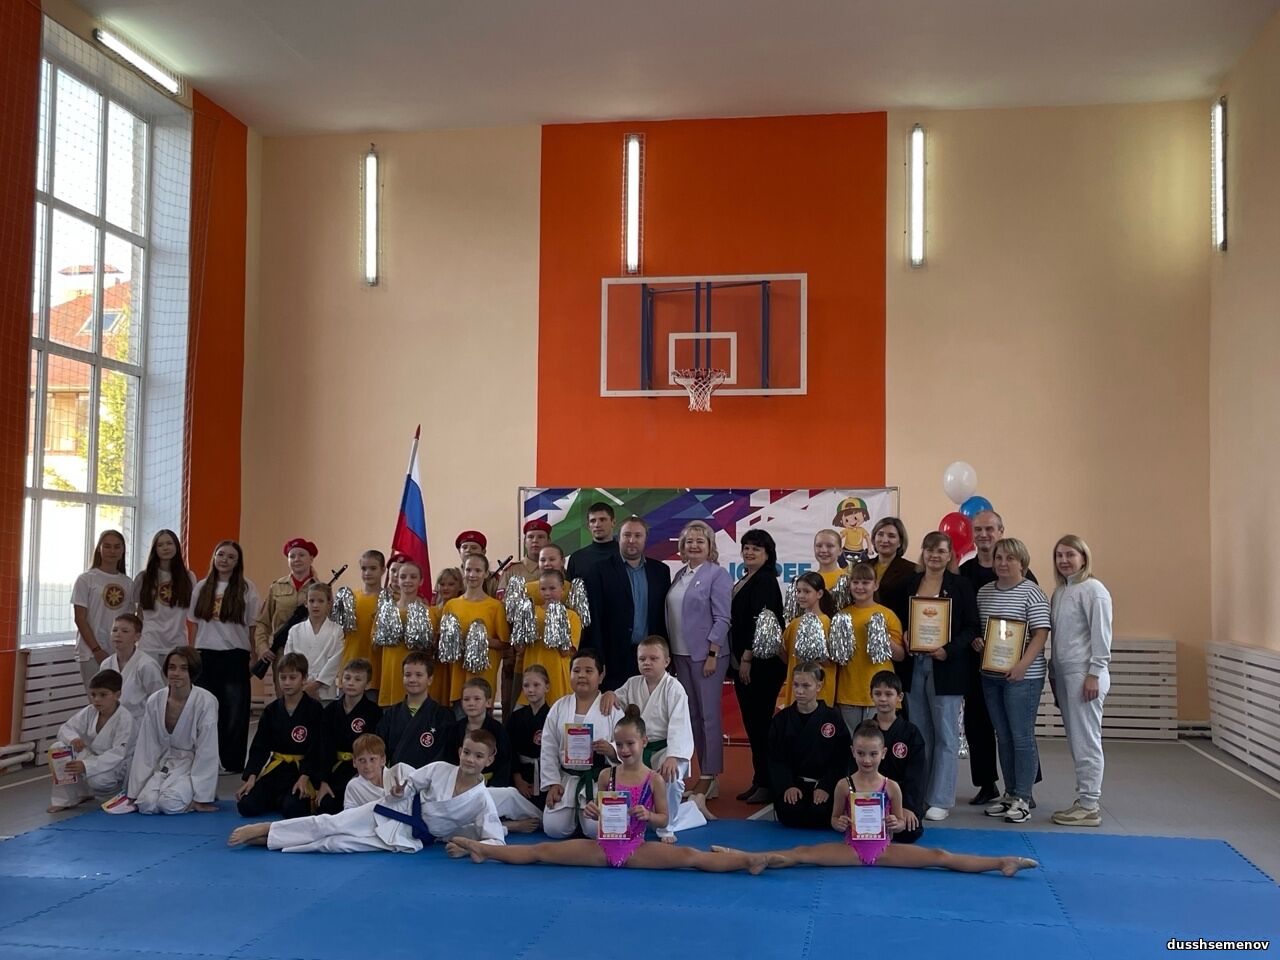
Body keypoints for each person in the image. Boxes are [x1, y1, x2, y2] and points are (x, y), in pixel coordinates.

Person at [448, 707, 768, 875]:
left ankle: (748, 860)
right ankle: (484, 850)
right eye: (620, 744)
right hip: (602, 848)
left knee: (691, 858)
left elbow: (664, 819)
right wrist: (594, 811)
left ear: (643, 742)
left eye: (630, 744)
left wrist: (648, 815)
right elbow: (602, 815)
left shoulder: (654, 779)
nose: (625, 750)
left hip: (636, 849)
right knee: (540, 851)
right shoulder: (606, 775)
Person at [731, 722, 1038, 876]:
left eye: (873, 754)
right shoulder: (843, 785)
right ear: (852, 752)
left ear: (883, 754)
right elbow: (834, 821)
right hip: (851, 850)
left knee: (939, 856)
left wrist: (895, 823)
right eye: (861, 753)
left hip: (885, 850)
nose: (866, 759)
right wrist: (839, 823)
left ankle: (1003, 862)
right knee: (801, 853)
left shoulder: (891, 787)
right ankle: (748, 858)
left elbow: (900, 823)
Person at [227, 729, 508, 853]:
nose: (470, 759)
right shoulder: (440, 769)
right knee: (332, 823)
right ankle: (268, 828)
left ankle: (271, 842)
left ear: (489, 760)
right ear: (459, 751)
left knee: (337, 845)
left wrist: (469, 848)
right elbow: (411, 784)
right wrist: (399, 791)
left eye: (478, 756)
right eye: (467, 752)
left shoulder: (482, 801)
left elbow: (495, 840)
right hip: (393, 808)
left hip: (410, 836)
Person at [883, 531, 978, 822]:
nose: (935, 556)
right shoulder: (910, 583)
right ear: (923, 553)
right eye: (930, 550)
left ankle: (941, 799)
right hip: (915, 665)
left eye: (941, 551)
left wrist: (948, 650)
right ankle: (919, 794)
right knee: (920, 733)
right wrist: (906, 634)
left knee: (946, 735)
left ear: (950, 556)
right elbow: (899, 621)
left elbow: (972, 628)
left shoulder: (960, 586)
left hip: (946, 667)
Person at [958, 509, 1039, 805]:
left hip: (1014, 666)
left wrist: (1022, 659)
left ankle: (1025, 788)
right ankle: (987, 784)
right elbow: (962, 615)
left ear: (1001, 531)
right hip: (977, 661)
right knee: (977, 723)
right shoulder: (965, 571)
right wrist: (972, 637)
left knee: (1018, 729)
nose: (983, 534)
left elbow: (1034, 623)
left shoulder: (1022, 572)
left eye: (989, 529)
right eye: (978, 529)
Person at [976, 538, 1052, 824]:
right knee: (1003, 736)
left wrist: (1022, 666)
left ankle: (1023, 797)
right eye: (999, 558)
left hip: (1024, 677)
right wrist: (979, 643)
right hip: (991, 675)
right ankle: (1010, 793)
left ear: (1022, 562)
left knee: (1022, 736)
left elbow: (1041, 633)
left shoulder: (1032, 592)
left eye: (1010, 558)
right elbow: (986, 633)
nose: (1003, 563)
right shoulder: (984, 592)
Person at [604, 636, 709, 840]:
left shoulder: (674, 688)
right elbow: (617, 700)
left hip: (665, 749)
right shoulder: (633, 683)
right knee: (618, 774)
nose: (647, 663)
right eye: (642, 659)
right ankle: (689, 807)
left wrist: (673, 755)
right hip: (638, 749)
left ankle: (667, 825)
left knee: (670, 775)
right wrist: (610, 694)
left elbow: (680, 725)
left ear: (666, 661)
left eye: (653, 658)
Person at [1048, 535, 1113, 828]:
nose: (1064, 560)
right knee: (1078, 740)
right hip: (1066, 674)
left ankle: (1089, 805)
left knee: (1087, 740)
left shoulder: (1094, 590)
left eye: (1070, 555)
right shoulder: (1061, 591)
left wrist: (1094, 673)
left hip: (1085, 674)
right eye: (1059, 555)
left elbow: (1102, 635)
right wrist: (1053, 673)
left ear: (1083, 557)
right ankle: (1085, 798)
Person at [665, 520, 732, 799]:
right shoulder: (681, 574)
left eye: (699, 541)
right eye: (689, 541)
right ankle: (702, 771)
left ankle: (710, 776)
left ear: (710, 546)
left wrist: (713, 654)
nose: (694, 545)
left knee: (708, 717)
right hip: (680, 655)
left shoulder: (718, 575)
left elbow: (723, 618)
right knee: (691, 716)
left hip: (707, 657)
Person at [189, 540, 260, 773]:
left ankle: (231, 762)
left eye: (231, 557)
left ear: (238, 562)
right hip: (206, 655)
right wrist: (192, 652)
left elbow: (252, 626)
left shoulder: (247, 588)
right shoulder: (202, 587)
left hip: (235, 655)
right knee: (205, 709)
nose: (224, 560)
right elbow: (194, 624)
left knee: (234, 711)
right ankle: (205, 759)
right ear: (214, 557)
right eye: (220, 554)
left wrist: (253, 655)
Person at [539, 649, 625, 838]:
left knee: (597, 830)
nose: (582, 676)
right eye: (576, 671)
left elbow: (627, 743)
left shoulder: (612, 708)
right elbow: (548, 747)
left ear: (601, 675)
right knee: (554, 829)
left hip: (598, 780)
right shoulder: (559, 707)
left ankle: (582, 820)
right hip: (567, 779)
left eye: (589, 671)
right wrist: (552, 783)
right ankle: (575, 817)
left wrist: (611, 750)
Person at [730, 528, 786, 804]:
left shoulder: (764, 580)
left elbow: (761, 623)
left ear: (767, 554)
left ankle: (768, 782)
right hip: (745, 662)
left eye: (756, 548)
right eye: (746, 547)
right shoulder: (746, 578)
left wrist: (747, 658)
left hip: (760, 666)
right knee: (753, 724)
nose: (749, 552)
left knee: (760, 725)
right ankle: (760, 779)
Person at [581, 515, 670, 690]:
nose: (631, 540)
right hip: (613, 659)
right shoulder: (599, 570)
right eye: (627, 535)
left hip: (650, 659)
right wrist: (598, 659)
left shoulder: (660, 572)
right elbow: (595, 618)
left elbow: (663, 617)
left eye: (638, 535)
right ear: (618, 537)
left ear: (645, 539)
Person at [127, 647, 219, 815]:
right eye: (172, 667)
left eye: (183, 668)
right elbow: (146, 747)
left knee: (170, 804)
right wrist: (134, 791)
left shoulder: (206, 701)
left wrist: (202, 796)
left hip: (191, 765)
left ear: (193, 672)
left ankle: (192, 793)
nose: (176, 673)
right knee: (145, 804)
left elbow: (207, 750)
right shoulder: (155, 700)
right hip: (165, 763)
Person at [235, 653, 325, 819]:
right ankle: (278, 799)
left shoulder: (314, 709)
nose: (287, 682)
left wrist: (305, 777)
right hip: (277, 770)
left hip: (300, 772)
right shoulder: (271, 710)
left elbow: (317, 748)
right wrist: (251, 777)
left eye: (293, 677)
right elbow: (260, 746)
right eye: (283, 677)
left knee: (293, 810)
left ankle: (283, 800)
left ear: (304, 678)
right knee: (245, 805)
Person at [768, 663, 852, 829]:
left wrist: (826, 786)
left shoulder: (832, 718)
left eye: (806, 686)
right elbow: (775, 758)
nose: (799, 691)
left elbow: (841, 758)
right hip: (794, 783)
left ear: (819, 686)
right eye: (796, 685)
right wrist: (787, 785)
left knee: (820, 813)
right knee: (790, 813)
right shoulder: (781, 720)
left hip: (823, 784)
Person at [47, 669, 134, 813]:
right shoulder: (89, 711)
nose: (97, 699)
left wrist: (86, 765)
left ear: (117, 695)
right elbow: (65, 729)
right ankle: (67, 798)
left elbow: (118, 753)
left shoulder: (125, 719)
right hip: (92, 756)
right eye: (93, 694)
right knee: (58, 749)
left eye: (103, 695)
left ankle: (115, 796)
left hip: (115, 766)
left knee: (98, 780)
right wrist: (73, 739)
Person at [834, 562, 903, 733]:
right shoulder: (841, 615)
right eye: (856, 582)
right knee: (853, 741)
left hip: (881, 693)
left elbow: (900, 656)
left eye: (865, 582)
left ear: (875, 585)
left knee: (878, 741)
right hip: (849, 692)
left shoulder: (887, 615)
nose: (860, 587)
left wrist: (881, 635)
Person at [315, 658, 383, 814]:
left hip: (362, 771)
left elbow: (374, 749)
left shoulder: (374, 712)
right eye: (347, 678)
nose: (351, 683)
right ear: (340, 681)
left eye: (358, 679)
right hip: (335, 771)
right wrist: (323, 781)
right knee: (325, 807)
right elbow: (324, 748)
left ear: (367, 684)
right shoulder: (330, 710)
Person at [497, 519, 552, 709]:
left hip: (547, 644)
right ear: (525, 541)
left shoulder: (558, 570)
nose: (535, 541)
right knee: (511, 699)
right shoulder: (513, 571)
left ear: (548, 540)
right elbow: (502, 609)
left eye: (541, 537)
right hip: (517, 647)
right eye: (531, 537)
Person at [443, 554, 509, 706]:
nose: (472, 575)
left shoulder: (495, 607)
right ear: (463, 571)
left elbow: (504, 643)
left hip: (483, 680)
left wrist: (479, 640)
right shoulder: (451, 605)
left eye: (478, 571)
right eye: (468, 570)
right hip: (458, 680)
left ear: (485, 574)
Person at [71, 529, 133, 691]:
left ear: (123, 550)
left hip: (119, 653)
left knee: (119, 698)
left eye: (117, 546)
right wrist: (96, 650)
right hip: (91, 653)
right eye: (107, 546)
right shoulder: (86, 579)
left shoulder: (128, 583)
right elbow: (80, 618)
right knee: (98, 700)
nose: (112, 551)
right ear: (99, 549)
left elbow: (129, 620)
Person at [251, 537, 319, 682]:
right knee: (284, 692)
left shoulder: (320, 589)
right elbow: (262, 622)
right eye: (292, 556)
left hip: (312, 652)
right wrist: (263, 647)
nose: (296, 559)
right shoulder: (276, 587)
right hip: (282, 652)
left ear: (311, 558)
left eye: (301, 555)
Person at [868, 670, 925, 843]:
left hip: (901, 797)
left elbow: (916, 775)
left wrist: (908, 807)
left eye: (888, 694)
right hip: (870, 796)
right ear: (871, 696)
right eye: (878, 694)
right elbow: (856, 768)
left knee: (909, 832)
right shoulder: (864, 730)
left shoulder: (911, 733)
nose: (883, 699)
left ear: (899, 697)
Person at [375, 651, 454, 768]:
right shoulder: (391, 715)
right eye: (407, 675)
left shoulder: (443, 716)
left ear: (430, 679)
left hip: (431, 777)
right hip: (396, 777)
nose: (412, 679)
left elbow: (446, 756)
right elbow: (379, 751)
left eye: (418, 675)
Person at [373, 559, 432, 708]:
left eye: (413, 577)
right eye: (403, 576)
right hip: (391, 679)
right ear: (397, 580)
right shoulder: (386, 611)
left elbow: (432, 649)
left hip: (417, 685)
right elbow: (375, 645)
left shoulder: (429, 612)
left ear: (421, 581)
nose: (407, 581)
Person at [133, 529, 196, 665]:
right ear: (154, 549)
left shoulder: (188, 577)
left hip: (178, 643)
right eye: (160, 545)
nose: (165, 548)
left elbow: (193, 614)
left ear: (176, 546)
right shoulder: (143, 577)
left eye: (169, 543)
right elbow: (139, 613)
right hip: (150, 644)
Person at [516, 569, 579, 704]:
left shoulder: (571, 616)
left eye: (552, 588)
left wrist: (556, 622)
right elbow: (520, 649)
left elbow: (566, 652)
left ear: (562, 589)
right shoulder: (531, 612)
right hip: (532, 678)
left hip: (557, 680)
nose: (547, 593)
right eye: (543, 589)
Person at [332, 549, 386, 698]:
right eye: (364, 569)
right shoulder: (351, 598)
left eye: (373, 568)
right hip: (349, 668)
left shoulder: (389, 600)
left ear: (383, 570)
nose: (368, 573)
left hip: (376, 672)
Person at [780, 572, 838, 707]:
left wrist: (815, 654)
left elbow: (830, 662)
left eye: (806, 591)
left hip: (819, 693)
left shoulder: (826, 622)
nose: (801, 595)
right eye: (798, 591)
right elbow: (789, 659)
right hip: (796, 692)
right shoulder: (795, 623)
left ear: (819, 594)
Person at [447, 677, 513, 787]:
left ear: (488, 702)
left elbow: (504, 763)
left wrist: (495, 787)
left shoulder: (498, 730)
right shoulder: (455, 729)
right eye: (466, 699)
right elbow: (449, 759)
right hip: (459, 783)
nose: (471, 703)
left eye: (477, 699)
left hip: (489, 785)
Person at [283, 582, 344, 700]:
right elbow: (289, 660)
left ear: (329, 603)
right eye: (311, 601)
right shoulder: (295, 631)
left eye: (321, 601)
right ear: (306, 603)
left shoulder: (336, 630)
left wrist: (316, 684)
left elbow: (335, 661)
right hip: (299, 688)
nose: (315, 605)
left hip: (325, 691)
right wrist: (302, 684)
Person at [100, 613, 165, 723]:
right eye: (114, 630)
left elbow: (159, 700)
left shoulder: (147, 665)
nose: (118, 634)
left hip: (140, 723)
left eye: (125, 631)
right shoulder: (106, 664)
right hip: (112, 721)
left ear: (137, 637)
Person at [506, 665, 550, 809]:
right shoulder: (516, 717)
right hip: (521, 774)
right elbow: (510, 750)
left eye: (536, 685)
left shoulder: (553, 716)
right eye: (526, 686)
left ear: (547, 687)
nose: (531, 690)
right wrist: (518, 780)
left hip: (546, 775)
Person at [427, 566, 463, 704]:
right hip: (437, 665)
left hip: (456, 666)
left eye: (451, 584)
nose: (446, 588)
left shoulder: (462, 609)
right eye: (442, 584)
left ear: (460, 586)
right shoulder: (432, 611)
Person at [565, 501, 618, 581]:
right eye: (593, 521)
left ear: (613, 522)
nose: (597, 525)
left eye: (602, 519)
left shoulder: (626, 554)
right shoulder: (577, 558)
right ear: (588, 526)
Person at [337, 733, 391, 808]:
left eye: (372, 759)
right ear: (354, 762)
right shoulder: (354, 787)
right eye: (362, 760)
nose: (367, 766)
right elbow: (350, 813)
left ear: (383, 760)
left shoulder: (397, 776)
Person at [870, 517, 914, 602]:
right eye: (880, 534)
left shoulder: (911, 570)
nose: (884, 540)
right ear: (873, 539)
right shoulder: (862, 567)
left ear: (900, 542)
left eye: (891, 536)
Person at [832, 496, 872, 566]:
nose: (852, 522)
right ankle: (845, 567)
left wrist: (869, 549)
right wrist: (836, 546)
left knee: (867, 561)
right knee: (838, 556)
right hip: (846, 549)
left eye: (855, 518)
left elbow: (868, 538)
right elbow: (839, 538)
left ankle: (861, 568)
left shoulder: (862, 530)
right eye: (846, 520)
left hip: (860, 551)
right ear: (841, 520)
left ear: (864, 515)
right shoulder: (846, 530)